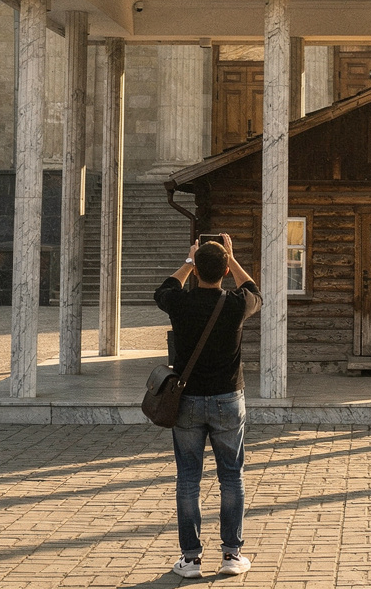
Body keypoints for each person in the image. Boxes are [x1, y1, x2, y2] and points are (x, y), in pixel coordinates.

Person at [155, 235, 262, 579]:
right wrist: (232, 259)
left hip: (187, 401)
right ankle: (232, 554)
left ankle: (190, 560)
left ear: (197, 268)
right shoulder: (235, 303)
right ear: (225, 270)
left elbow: (163, 290)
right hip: (228, 399)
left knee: (189, 478)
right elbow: (256, 291)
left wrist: (188, 263)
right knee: (231, 475)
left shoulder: (180, 302)